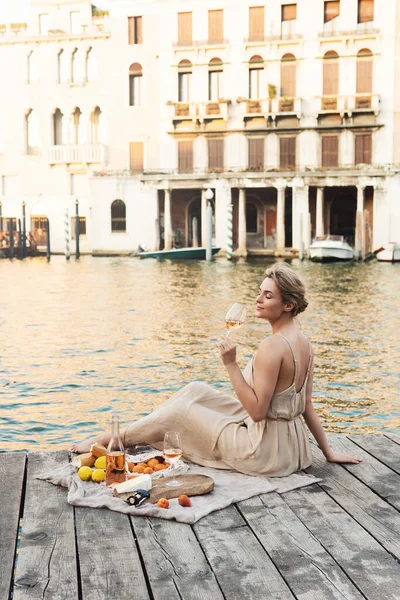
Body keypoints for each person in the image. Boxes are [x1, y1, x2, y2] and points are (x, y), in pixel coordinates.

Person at [71, 262, 362, 475]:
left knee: (181, 412)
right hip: (293, 449)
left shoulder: (273, 346)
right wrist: (327, 452)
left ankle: (111, 439)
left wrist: (231, 364)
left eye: (268, 296)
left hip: (262, 452)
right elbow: (306, 404)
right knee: (195, 390)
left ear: (289, 305)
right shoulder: (304, 343)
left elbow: (258, 412)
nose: (258, 300)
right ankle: (122, 435)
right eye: (260, 292)